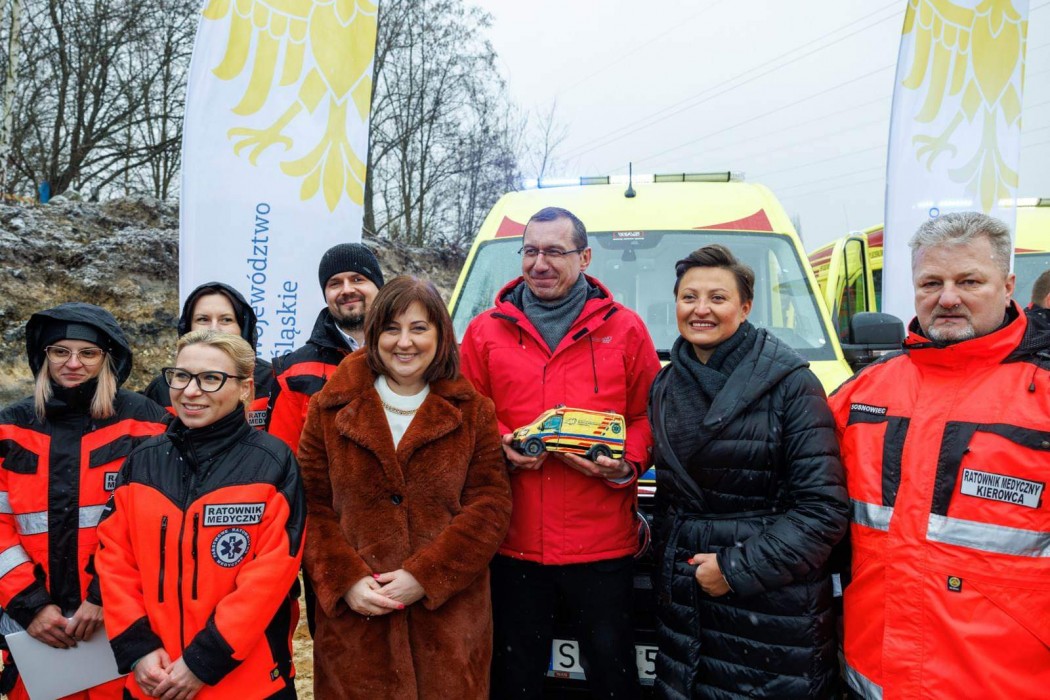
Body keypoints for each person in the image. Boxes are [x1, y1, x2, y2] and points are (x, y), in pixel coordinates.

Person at [828, 212, 1050, 699]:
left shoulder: (1044, 396)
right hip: (875, 683)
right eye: (932, 283)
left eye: (969, 281)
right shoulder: (865, 392)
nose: (947, 298)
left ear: (1008, 286)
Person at [460, 206, 661, 699]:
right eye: (530, 251)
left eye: (554, 251)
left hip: (602, 547)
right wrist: (501, 446)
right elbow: (465, 413)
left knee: (614, 681)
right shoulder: (485, 331)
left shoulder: (627, 330)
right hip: (513, 543)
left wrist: (626, 462)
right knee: (514, 682)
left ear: (585, 257)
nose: (539, 263)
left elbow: (649, 417)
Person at [647, 245, 849, 699]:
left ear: (745, 308)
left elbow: (823, 510)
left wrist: (734, 569)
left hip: (770, 611)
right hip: (685, 601)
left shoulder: (792, 384)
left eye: (717, 298)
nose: (701, 310)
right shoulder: (665, 384)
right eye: (689, 297)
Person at [298, 276, 511, 699]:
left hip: (447, 627)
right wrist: (346, 580)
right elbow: (311, 504)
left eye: (419, 328)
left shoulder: (474, 412)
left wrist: (425, 576)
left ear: (441, 335)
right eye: (392, 329)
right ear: (374, 334)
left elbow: (490, 507)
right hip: (358, 628)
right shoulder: (329, 408)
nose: (405, 342)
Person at [96, 330, 305, 699]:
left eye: (211, 378)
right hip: (153, 679)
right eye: (181, 376)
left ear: (244, 388)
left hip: (245, 684)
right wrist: (138, 649)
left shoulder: (273, 463)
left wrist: (202, 662)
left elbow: (271, 577)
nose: (191, 391)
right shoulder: (142, 461)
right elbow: (115, 561)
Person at [0, 303, 169, 700]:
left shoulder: (146, 422)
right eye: (60, 351)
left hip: (123, 624)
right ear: (43, 355)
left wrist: (103, 596)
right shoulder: (9, 427)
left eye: (88, 353)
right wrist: (30, 605)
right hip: (35, 633)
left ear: (108, 357)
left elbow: (156, 524)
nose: (73, 363)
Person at [269, 242, 384, 454]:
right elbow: (283, 461)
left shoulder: (408, 357)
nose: (347, 290)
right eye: (335, 283)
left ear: (379, 288)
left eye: (357, 279)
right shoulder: (293, 372)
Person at [141, 282, 275, 428]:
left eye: (226, 320)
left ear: (243, 327)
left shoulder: (272, 380)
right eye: (203, 319)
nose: (214, 328)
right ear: (188, 327)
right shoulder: (162, 388)